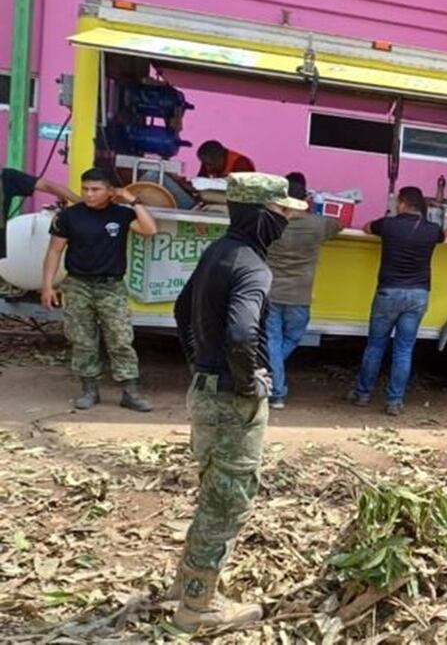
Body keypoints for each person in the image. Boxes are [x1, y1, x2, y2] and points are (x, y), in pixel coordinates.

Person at [170, 172, 306, 631]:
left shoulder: (218, 252)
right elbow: (243, 333)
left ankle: (185, 582)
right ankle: (198, 606)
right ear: (261, 215)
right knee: (228, 502)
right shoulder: (253, 267)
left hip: (205, 391)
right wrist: (248, 383)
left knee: (213, 491)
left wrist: (200, 364)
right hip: (231, 402)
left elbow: (181, 308)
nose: (287, 220)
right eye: (282, 212)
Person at [41, 168, 157, 412]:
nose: (89, 194)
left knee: (120, 339)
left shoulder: (122, 214)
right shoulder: (68, 216)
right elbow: (54, 251)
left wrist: (133, 201)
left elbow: (149, 230)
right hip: (77, 285)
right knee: (82, 340)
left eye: (96, 189)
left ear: (110, 191)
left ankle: (130, 392)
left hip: (111, 286)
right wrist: (48, 286)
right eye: (85, 189)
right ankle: (89, 390)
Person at [350, 186, 445, 416]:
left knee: (375, 346)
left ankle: (362, 394)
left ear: (402, 203)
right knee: (403, 349)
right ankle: (394, 401)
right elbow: (444, 236)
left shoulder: (388, 225)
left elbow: (366, 228)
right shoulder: (432, 230)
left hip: (388, 293)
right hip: (418, 295)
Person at [265, 172, 342, 409]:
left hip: (271, 292)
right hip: (300, 295)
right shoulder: (318, 224)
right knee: (292, 338)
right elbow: (339, 225)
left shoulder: (269, 222)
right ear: (305, 198)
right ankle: (277, 391)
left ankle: (272, 378)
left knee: (273, 341)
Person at [1, 167, 81, 259]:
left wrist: (82, 202)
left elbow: (48, 186)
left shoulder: (7, 177)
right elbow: (47, 186)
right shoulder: (6, 177)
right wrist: (83, 203)